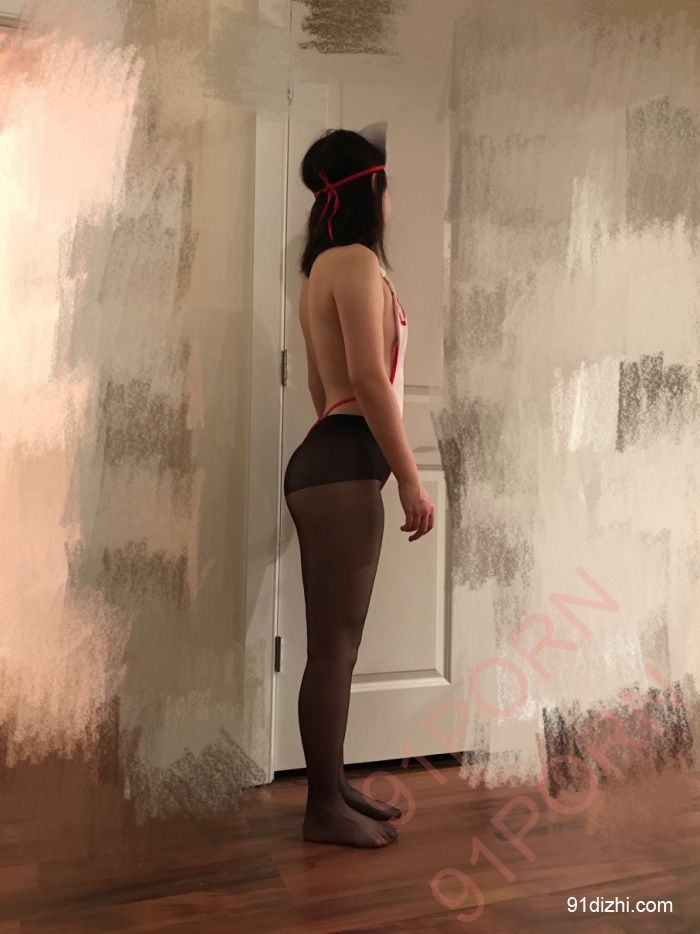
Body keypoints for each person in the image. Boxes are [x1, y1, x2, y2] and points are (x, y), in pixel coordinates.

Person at [283, 127, 435, 848]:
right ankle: (322, 809)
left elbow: (323, 387)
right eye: (389, 183)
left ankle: (334, 786)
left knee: (335, 647)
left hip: (329, 459)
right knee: (334, 649)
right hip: (342, 470)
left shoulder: (321, 268)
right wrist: (409, 478)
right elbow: (370, 380)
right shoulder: (357, 261)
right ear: (373, 187)